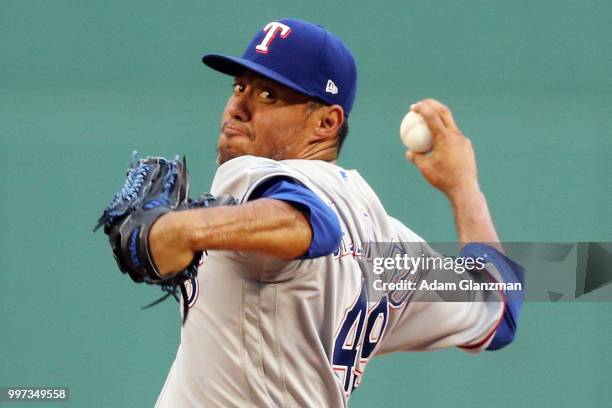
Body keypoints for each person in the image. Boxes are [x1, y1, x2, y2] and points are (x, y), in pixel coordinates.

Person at [149, 18, 524, 407]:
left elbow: (311, 224)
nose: (238, 108)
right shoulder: (384, 243)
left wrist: (181, 228)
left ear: (326, 123)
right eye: (240, 86)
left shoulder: (251, 174)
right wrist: (464, 188)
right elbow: (499, 307)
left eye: (268, 96)